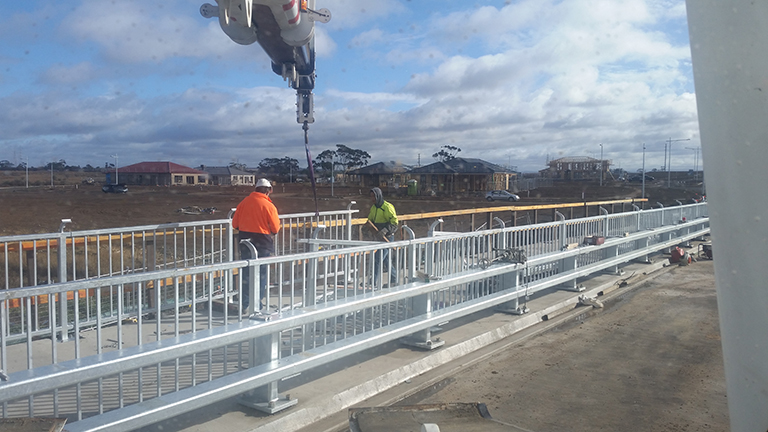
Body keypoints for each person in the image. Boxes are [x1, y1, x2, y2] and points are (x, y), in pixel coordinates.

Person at [232, 178, 280, 311]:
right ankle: (257, 304)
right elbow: (275, 228)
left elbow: (235, 224)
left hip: (245, 241)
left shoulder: (243, 203)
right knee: (261, 274)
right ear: (269, 191)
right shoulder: (269, 206)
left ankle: (245, 303)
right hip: (262, 242)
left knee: (247, 273)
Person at [367, 187, 398, 284]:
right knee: (386, 260)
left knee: (378, 258)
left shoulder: (387, 207)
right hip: (379, 237)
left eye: (374, 197)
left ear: (379, 196)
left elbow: (394, 223)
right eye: (371, 197)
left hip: (387, 238)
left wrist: (386, 230)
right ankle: (394, 279)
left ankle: (373, 282)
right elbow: (370, 220)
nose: (373, 199)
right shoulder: (373, 208)